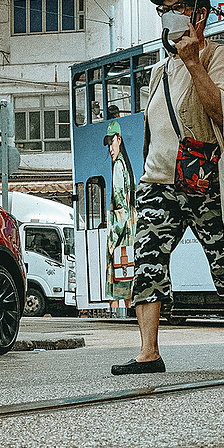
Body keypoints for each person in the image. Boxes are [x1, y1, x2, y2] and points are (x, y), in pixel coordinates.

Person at [110, 0, 224, 376]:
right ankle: (148, 352)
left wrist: (193, 61)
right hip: (158, 184)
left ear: (199, 15)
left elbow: (223, 113)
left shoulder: (217, 56)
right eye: (163, 9)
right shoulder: (158, 71)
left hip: (202, 181)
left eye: (177, 6)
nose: (168, 15)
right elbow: (155, 127)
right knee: (148, 262)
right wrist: (146, 176)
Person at [104, 121, 136, 317]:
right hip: (131, 232)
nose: (110, 148)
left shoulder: (117, 167)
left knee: (115, 280)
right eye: (108, 144)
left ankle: (116, 316)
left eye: (112, 142)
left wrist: (112, 240)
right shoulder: (127, 166)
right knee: (128, 277)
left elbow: (120, 206)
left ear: (119, 139)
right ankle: (129, 314)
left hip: (120, 234)